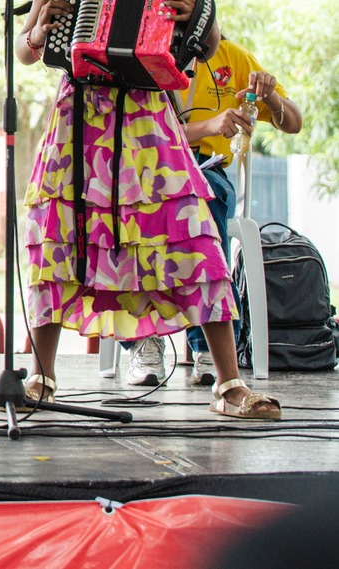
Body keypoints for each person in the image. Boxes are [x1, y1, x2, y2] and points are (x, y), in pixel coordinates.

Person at [15, 0, 281, 419]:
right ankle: (41, 374)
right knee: (59, 238)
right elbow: (28, 49)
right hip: (80, 118)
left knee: (190, 233)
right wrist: (41, 27)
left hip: (145, 115)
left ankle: (228, 384)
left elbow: (207, 46)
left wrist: (189, 13)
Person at [125, 36, 302, 386]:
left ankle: (208, 343)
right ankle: (142, 338)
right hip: (148, 163)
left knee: (204, 201)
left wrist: (270, 95)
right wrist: (210, 125)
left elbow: (293, 123)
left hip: (207, 168)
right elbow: (139, 128)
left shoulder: (231, 56)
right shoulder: (141, 52)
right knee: (132, 211)